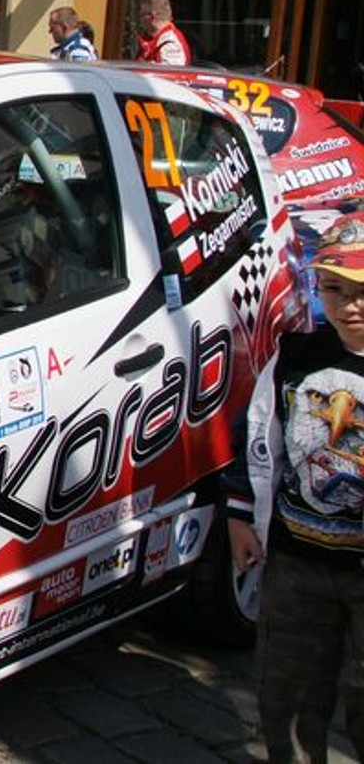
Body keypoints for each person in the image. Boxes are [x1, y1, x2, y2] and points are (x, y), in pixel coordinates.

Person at [228, 213, 364, 764]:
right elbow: (257, 433)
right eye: (333, 288)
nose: (347, 304)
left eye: (361, 290)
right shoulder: (296, 357)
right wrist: (240, 514)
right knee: (287, 693)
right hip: (298, 560)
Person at [135, 0, 192, 65]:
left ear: (152, 16)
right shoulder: (153, 40)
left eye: (142, 15)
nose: (140, 20)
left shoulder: (171, 43)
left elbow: (170, 74)